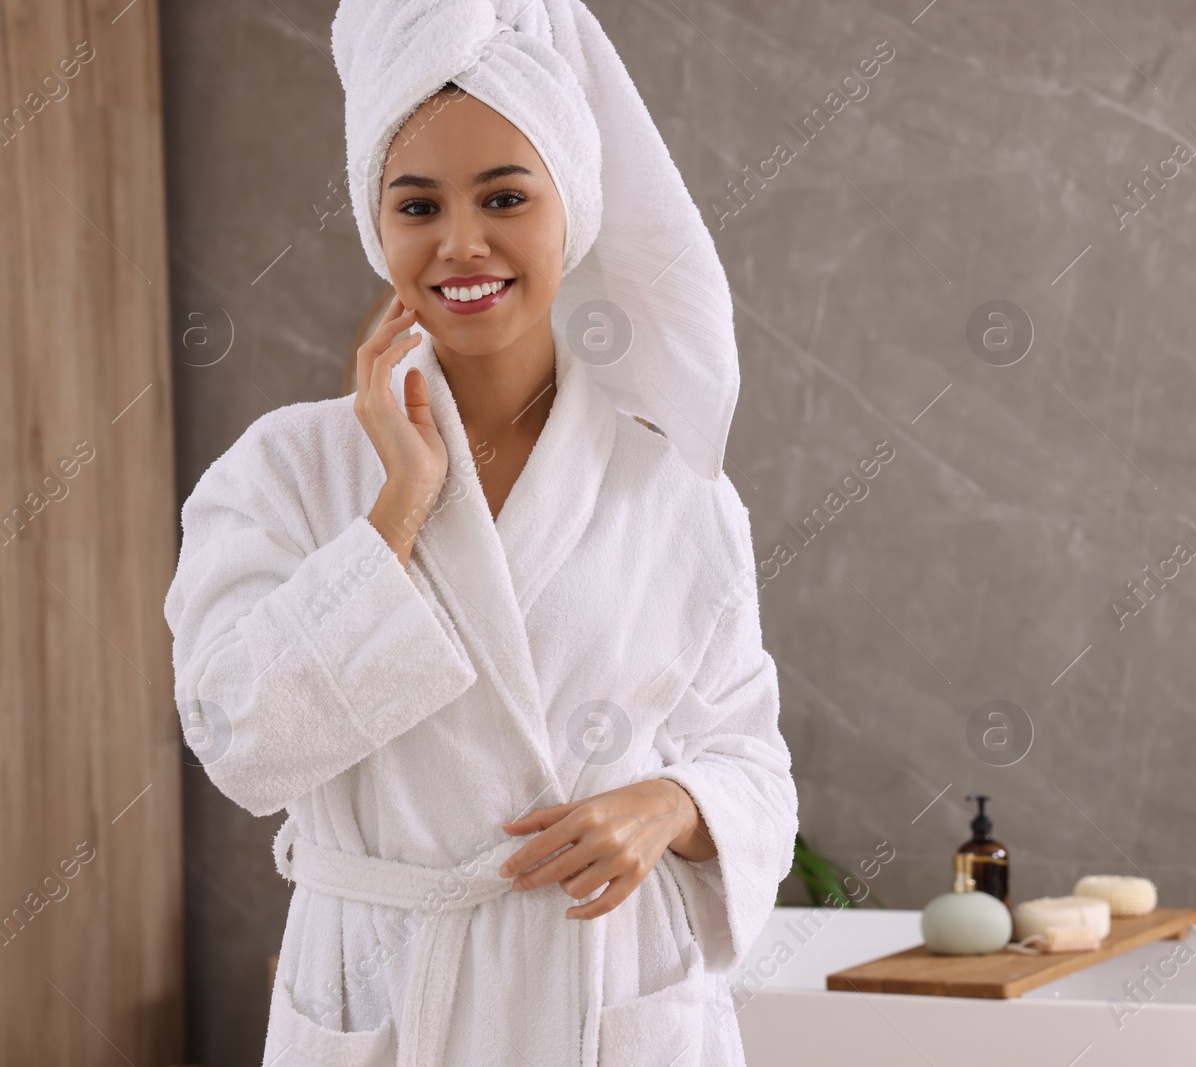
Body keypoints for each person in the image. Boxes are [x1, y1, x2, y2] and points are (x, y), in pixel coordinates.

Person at [162, 2, 798, 1064]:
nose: (461, 242)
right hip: (387, 992)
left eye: (505, 195)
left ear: (571, 208)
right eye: (417, 205)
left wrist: (672, 801)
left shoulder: (672, 487)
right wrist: (395, 509)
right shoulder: (285, 470)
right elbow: (238, 743)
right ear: (379, 227)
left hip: (606, 991)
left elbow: (752, 762)